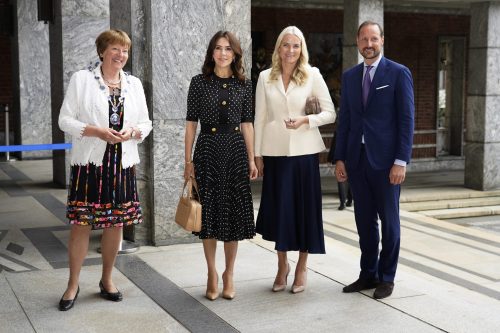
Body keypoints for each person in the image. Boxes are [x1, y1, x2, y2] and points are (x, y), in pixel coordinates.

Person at [57, 29, 152, 311]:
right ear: (102, 51)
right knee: (81, 225)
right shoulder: (82, 80)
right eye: (115, 49)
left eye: (124, 51)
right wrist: (95, 131)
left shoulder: (133, 84)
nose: (120, 55)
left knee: (116, 224)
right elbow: (64, 120)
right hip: (90, 164)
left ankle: (107, 280)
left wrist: (133, 131)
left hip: (121, 165)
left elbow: (146, 123)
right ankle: (72, 284)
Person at [333, 21, 414, 299]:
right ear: (357, 42)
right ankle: (367, 274)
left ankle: (387, 276)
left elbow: (406, 121)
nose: (369, 44)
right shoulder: (350, 76)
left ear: (382, 40)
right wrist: (340, 158)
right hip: (357, 161)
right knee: (364, 222)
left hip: (388, 163)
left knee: (390, 223)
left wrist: (401, 161)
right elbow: (345, 121)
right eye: (364, 39)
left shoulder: (399, 73)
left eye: (374, 39)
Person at [254, 26, 336, 294]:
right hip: (275, 155)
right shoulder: (265, 77)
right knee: (279, 213)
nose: (291, 50)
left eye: (296, 45)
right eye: (286, 45)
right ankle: (282, 265)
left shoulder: (312, 75)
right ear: (279, 48)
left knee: (303, 212)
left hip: (304, 155)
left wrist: (305, 120)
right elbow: (260, 118)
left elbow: (330, 113)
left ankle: (301, 266)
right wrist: (256, 155)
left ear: (302, 49)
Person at [184, 31, 257, 301]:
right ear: (211, 52)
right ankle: (211, 273)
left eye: (228, 49)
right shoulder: (199, 83)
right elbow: (191, 124)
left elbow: (247, 124)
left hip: (236, 152)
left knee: (233, 217)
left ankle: (229, 274)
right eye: (218, 48)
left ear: (235, 54)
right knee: (210, 216)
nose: (223, 53)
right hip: (207, 151)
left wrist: (251, 158)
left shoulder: (244, 85)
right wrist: (188, 161)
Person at [329, 125, 353, 210]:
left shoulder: (340, 130)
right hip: (348, 158)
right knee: (348, 180)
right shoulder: (342, 130)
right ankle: (348, 201)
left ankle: (344, 202)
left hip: (343, 158)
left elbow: (334, 146)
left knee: (342, 181)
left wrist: (333, 159)